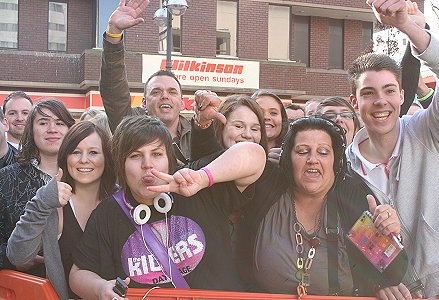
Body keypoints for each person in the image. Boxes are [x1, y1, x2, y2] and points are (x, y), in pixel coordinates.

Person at [189, 111, 409, 298]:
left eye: (323, 152)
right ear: (287, 159)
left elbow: (393, 273)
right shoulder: (269, 187)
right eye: (302, 151)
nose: (313, 159)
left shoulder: (349, 197)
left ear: (336, 161)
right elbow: (216, 177)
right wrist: (202, 129)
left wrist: (387, 235)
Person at [69, 115, 266, 298]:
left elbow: (255, 155)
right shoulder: (108, 213)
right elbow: (78, 274)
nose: (148, 164)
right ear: (121, 164)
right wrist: (101, 288)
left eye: (157, 154)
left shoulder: (193, 183)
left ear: (169, 158)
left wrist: (203, 178)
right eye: (136, 156)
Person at [347, 0, 439, 297]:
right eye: (369, 93)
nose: (381, 101)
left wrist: (406, 26)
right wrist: (377, 282)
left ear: (402, 95)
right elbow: (347, 243)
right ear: (355, 103)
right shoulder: (343, 169)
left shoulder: (433, 132)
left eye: (389, 91)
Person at [7, 121, 116, 299]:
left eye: (93, 152)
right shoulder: (51, 202)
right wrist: (42, 202)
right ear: (65, 157)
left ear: (107, 158)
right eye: (76, 152)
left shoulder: (121, 201)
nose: (84, 160)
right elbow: (17, 256)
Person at [100, 0, 191, 163]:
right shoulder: (130, 127)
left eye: (172, 92)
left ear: (183, 103)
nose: (165, 96)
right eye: (156, 92)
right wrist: (113, 33)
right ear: (144, 103)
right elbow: (114, 90)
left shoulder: (199, 134)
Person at [0, 99, 74, 273]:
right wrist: (12, 258)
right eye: (43, 122)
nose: (52, 129)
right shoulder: (6, 178)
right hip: (23, 284)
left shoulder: (84, 175)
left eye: (59, 123)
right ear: (31, 130)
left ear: (70, 129)